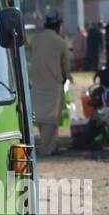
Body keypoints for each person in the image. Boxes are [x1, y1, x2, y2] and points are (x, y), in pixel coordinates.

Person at [30, 9, 71, 156]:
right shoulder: (60, 42)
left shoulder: (36, 40)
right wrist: (66, 77)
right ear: (58, 26)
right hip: (53, 86)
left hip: (37, 84)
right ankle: (48, 148)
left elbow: (29, 58)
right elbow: (66, 66)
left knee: (41, 117)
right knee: (51, 120)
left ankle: (50, 146)